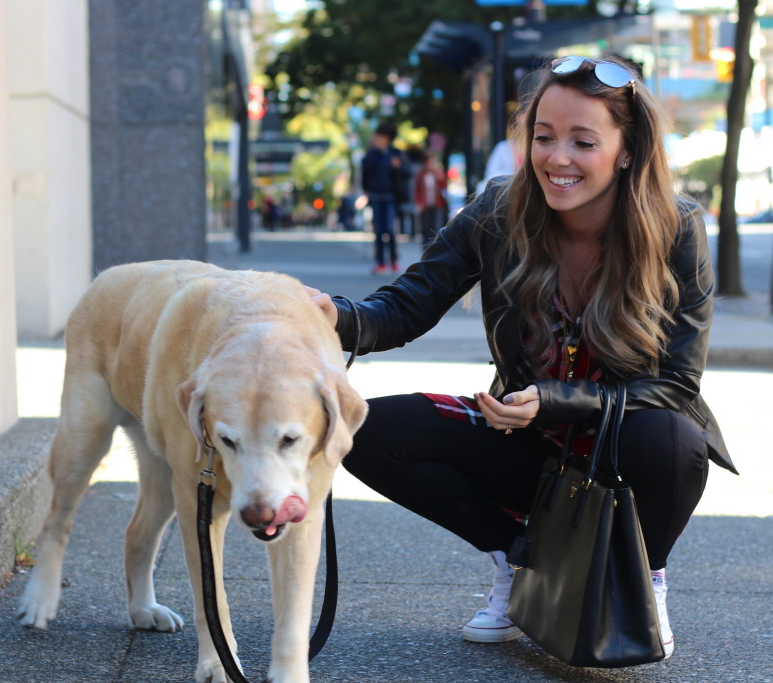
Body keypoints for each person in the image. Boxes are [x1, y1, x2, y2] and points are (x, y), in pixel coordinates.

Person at [309, 55, 737, 661]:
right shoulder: (496, 213)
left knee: (672, 441)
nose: (556, 158)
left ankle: (645, 581)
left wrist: (558, 400)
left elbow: (676, 382)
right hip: (525, 440)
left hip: (622, 443)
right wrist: (335, 315)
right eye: (543, 136)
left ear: (625, 149)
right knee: (367, 430)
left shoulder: (676, 226)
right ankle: (520, 560)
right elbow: (404, 309)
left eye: (582, 141)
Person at [362, 121, 410, 274]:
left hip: (390, 195)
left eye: (381, 136)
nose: (378, 139)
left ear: (388, 137)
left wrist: (398, 166)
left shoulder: (396, 153)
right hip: (376, 195)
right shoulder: (372, 154)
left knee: (389, 228)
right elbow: (365, 169)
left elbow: (407, 172)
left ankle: (394, 260)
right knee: (378, 229)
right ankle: (380, 261)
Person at [414, 152, 448, 246]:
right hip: (425, 205)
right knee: (425, 228)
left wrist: (440, 178)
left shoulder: (438, 173)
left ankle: (436, 247)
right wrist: (419, 202)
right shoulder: (421, 174)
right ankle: (426, 248)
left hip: (437, 204)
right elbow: (417, 190)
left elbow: (444, 188)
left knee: (436, 228)